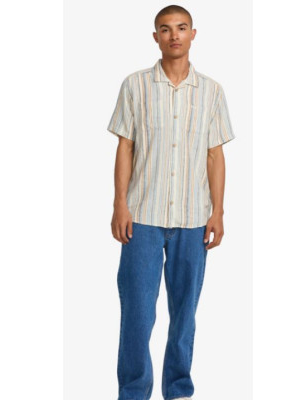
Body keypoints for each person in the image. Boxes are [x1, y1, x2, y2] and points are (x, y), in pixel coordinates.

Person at [106, 5, 235, 400]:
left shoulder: (212, 91)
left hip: (193, 219)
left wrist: (218, 211)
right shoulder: (135, 85)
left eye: (181, 28)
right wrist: (120, 204)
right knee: (137, 313)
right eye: (165, 29)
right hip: (142, 217)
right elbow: (125, 147)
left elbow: (215, 155)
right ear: (155, 37)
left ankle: (178, 390)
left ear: (193, 34)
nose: (174, 35)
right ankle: (133, 392)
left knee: (184, 315)